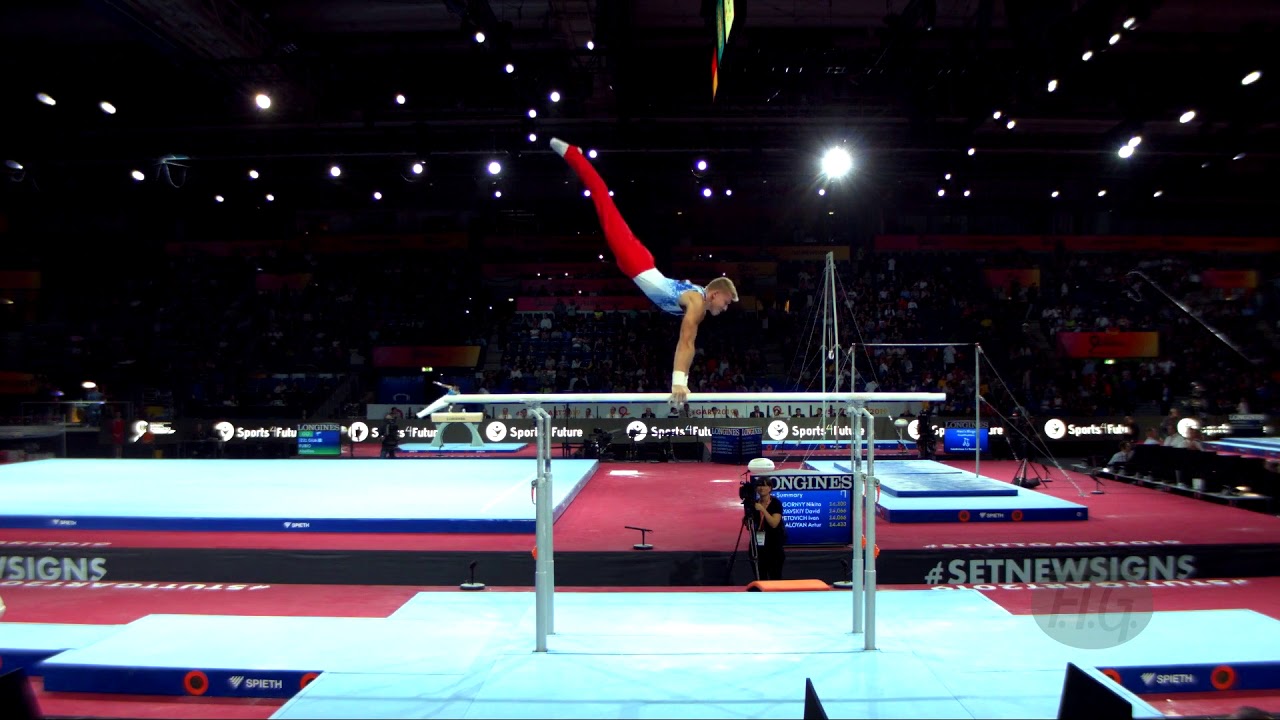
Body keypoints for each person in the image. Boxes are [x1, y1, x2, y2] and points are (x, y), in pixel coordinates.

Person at [551, 138, 738, 404]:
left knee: (604, 205)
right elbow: (686, 341)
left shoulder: (698, 302)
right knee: (603, 202)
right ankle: (574, 155)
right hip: (637, 262)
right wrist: (678, 383)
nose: (726, 307)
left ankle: (578, 159)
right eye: (727, 301)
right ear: (716, 293)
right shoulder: (697, 301)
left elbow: (690, 344)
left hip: (638, 265)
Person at [753, 479, 786, 580]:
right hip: (759, 544)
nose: (761, 488)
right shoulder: (754, 504)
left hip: (774, 544)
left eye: (764, 486)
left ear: (770, 488)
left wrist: (763, 509)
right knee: (760, 575)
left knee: (775, 576)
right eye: (759, 486)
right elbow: (750, 525)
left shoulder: (776, 503)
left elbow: (774, 523)